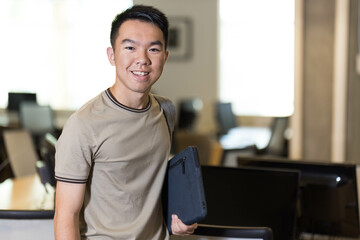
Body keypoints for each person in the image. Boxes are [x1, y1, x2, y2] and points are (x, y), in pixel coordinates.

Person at [53, 5, 198, 240]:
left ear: (165, 56)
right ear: (112, 55)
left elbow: (152, 187)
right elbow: (65, 216)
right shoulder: (83, 124)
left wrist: (179, 216)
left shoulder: (165, 110)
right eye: (130, 48)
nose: (142, 59)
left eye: (153, 49)